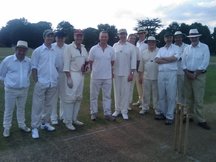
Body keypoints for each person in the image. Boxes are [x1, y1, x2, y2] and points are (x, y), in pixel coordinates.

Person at [0, 41, 31, 137]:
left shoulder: (28, 61)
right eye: (19, 50)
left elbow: (29, 73)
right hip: (11, 90)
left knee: (21, 109)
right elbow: (1, 74)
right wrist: (6, 84)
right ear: (16, 49)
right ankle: (7, 128)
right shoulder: (7, 60)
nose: (21, 52)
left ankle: (22, 125)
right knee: (9, 110)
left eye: (24, 50)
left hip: (24, 90)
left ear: (26, 51)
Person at [31, 29, 58, 139]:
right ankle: (35, 127)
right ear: (44, 37)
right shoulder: (38, 51)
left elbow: (56, 66)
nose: (50, 38)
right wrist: (36, 81)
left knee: (49, 105)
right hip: (41, 82)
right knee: (37, 106)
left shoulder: (54, 51)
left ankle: (45, 123)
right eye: (48, 36)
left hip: (52, 82)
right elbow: (34, 67)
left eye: (52, 36)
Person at [182, 29, 210, 130]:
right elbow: (183, 63)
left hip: (199, 76)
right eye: (191, 37)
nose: (193, 38)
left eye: (195, 37)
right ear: (189, 38)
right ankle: (188, 116)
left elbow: (205, 62)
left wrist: (195, 74)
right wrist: (188, 73)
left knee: (198, 98)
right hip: (187, 74)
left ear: (198, 37)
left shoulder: (204, 47)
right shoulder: (187, 48)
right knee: (188, 97)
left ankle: (201, 119)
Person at [63, 29, 88, 130]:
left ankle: (74, 119)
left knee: (78, 98)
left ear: (82, 37)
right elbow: (66, 64)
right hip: (72, 75)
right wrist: (69, 78)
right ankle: (67, 121)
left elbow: (86, 61)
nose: (79, 38)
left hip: (81, 75)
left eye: (81, 36)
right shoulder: (69, 48)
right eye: (77, 36)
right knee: (70, 98)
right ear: (74, 36)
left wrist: (86, 67)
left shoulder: (83, 48)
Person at [89, 31, 115, 121]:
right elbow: (90, 62)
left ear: (107, 38)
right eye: (102, 37)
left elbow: (112, 62)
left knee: (107, 96)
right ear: (99, 38)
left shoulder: (111, 49)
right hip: (96, 76)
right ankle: (93, 113)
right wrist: (94, 71)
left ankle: (107, 114)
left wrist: (110, 72)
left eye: (105, 37)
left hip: (107, 76)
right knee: (94, 96)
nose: (104, 38)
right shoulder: (93, 49)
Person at [155, 32, 180, 125]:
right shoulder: (161, 49)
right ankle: (163, 113)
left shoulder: (176, 48)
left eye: (170, 37)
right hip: (161, 73)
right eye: (166, 37)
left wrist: (163, 59)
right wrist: (168, 59)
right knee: (161, 95)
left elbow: (174, 58)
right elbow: (157, 60)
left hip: (171, 73)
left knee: (171, 95)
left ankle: (170, 116)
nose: (168, 39)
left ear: (172, 38)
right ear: (164, 39)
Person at [112, 29, 136, 120]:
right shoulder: (115, 45)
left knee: (125, 92)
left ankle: (124, 111)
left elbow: (133, 61)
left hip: (127, 73)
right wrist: (112, 71)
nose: (122, 36)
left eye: (124, 34)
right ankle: (117, 110)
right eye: (121, 34)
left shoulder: (131, 47)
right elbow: (112, 59)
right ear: (119, 35)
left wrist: (132, 73)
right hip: (116, 73)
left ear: (126, 35)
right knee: (117, 92)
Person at [138, 36, 159, 115]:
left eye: (153, 42)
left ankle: (156, 108)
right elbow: (141, 65)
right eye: (149, 42)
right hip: (146, 76)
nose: (151, 43)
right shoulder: (144, 52)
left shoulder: (160, 51)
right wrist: (140, 76)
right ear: (147, 43)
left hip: (157, 76)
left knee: (156, 94)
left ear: (155, 43)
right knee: (145, 94)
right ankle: (145, 108)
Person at [51, 31, 68, 125]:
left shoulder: (68, 47)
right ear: (56, 38)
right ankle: (53, 117)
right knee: (54, 96)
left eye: (62, 37)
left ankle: (63, 115)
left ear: (64, 38)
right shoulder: (52, 47)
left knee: (63, 96)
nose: (60, 39)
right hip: (54, 74)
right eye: (58, 37)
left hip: (64, 74)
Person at [133, 27, 148, 107]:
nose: (141, 35)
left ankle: (144, 102)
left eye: (142, 33)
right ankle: (140, 99)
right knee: (138, 83)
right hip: (137, 65)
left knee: (143, 84)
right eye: (139, 34)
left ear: (144, 34)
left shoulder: (147, 43)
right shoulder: (137, 43)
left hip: (144, 66)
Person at [174, 31, 188, 105]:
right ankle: (176, 107)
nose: (178, 39)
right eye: (176, 37)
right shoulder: (172, 47)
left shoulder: (187, 47)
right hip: (173, 72)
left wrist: (175, 58)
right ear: (174, 38)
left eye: (179, 37)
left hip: (183, 72)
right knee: (174, 91)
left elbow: (184, 58)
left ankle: (184, 107)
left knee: (183, 90)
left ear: (182, 38)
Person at [127, 33, 141, 110]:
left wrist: (134, 70)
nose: (132, 40)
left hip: (133, 71)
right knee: (123, 88)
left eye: (134, 39)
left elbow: (138, 60)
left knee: (130, 88)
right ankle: (121, 103)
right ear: (127, 39)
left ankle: (128, 104)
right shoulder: (124, 47)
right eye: (131, 38)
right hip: (123, 70)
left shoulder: (136, 49)